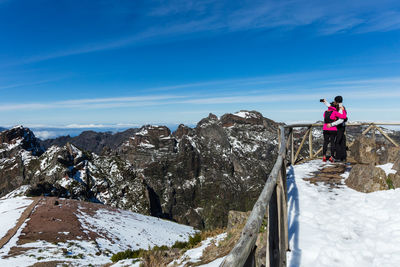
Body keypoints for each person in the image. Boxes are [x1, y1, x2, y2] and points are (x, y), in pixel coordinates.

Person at [322, 96, 348, 161]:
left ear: (336, 101)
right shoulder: (339, 106)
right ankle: (342, 157)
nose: (333, 102)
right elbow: (330, 105)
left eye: (334, 101)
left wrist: (331, 124)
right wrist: (325, 102)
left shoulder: (340, 108)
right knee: (341, 142)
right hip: (338, 127)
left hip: (339, 127)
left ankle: (338, 157)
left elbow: (341, 119)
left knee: (337, 143)